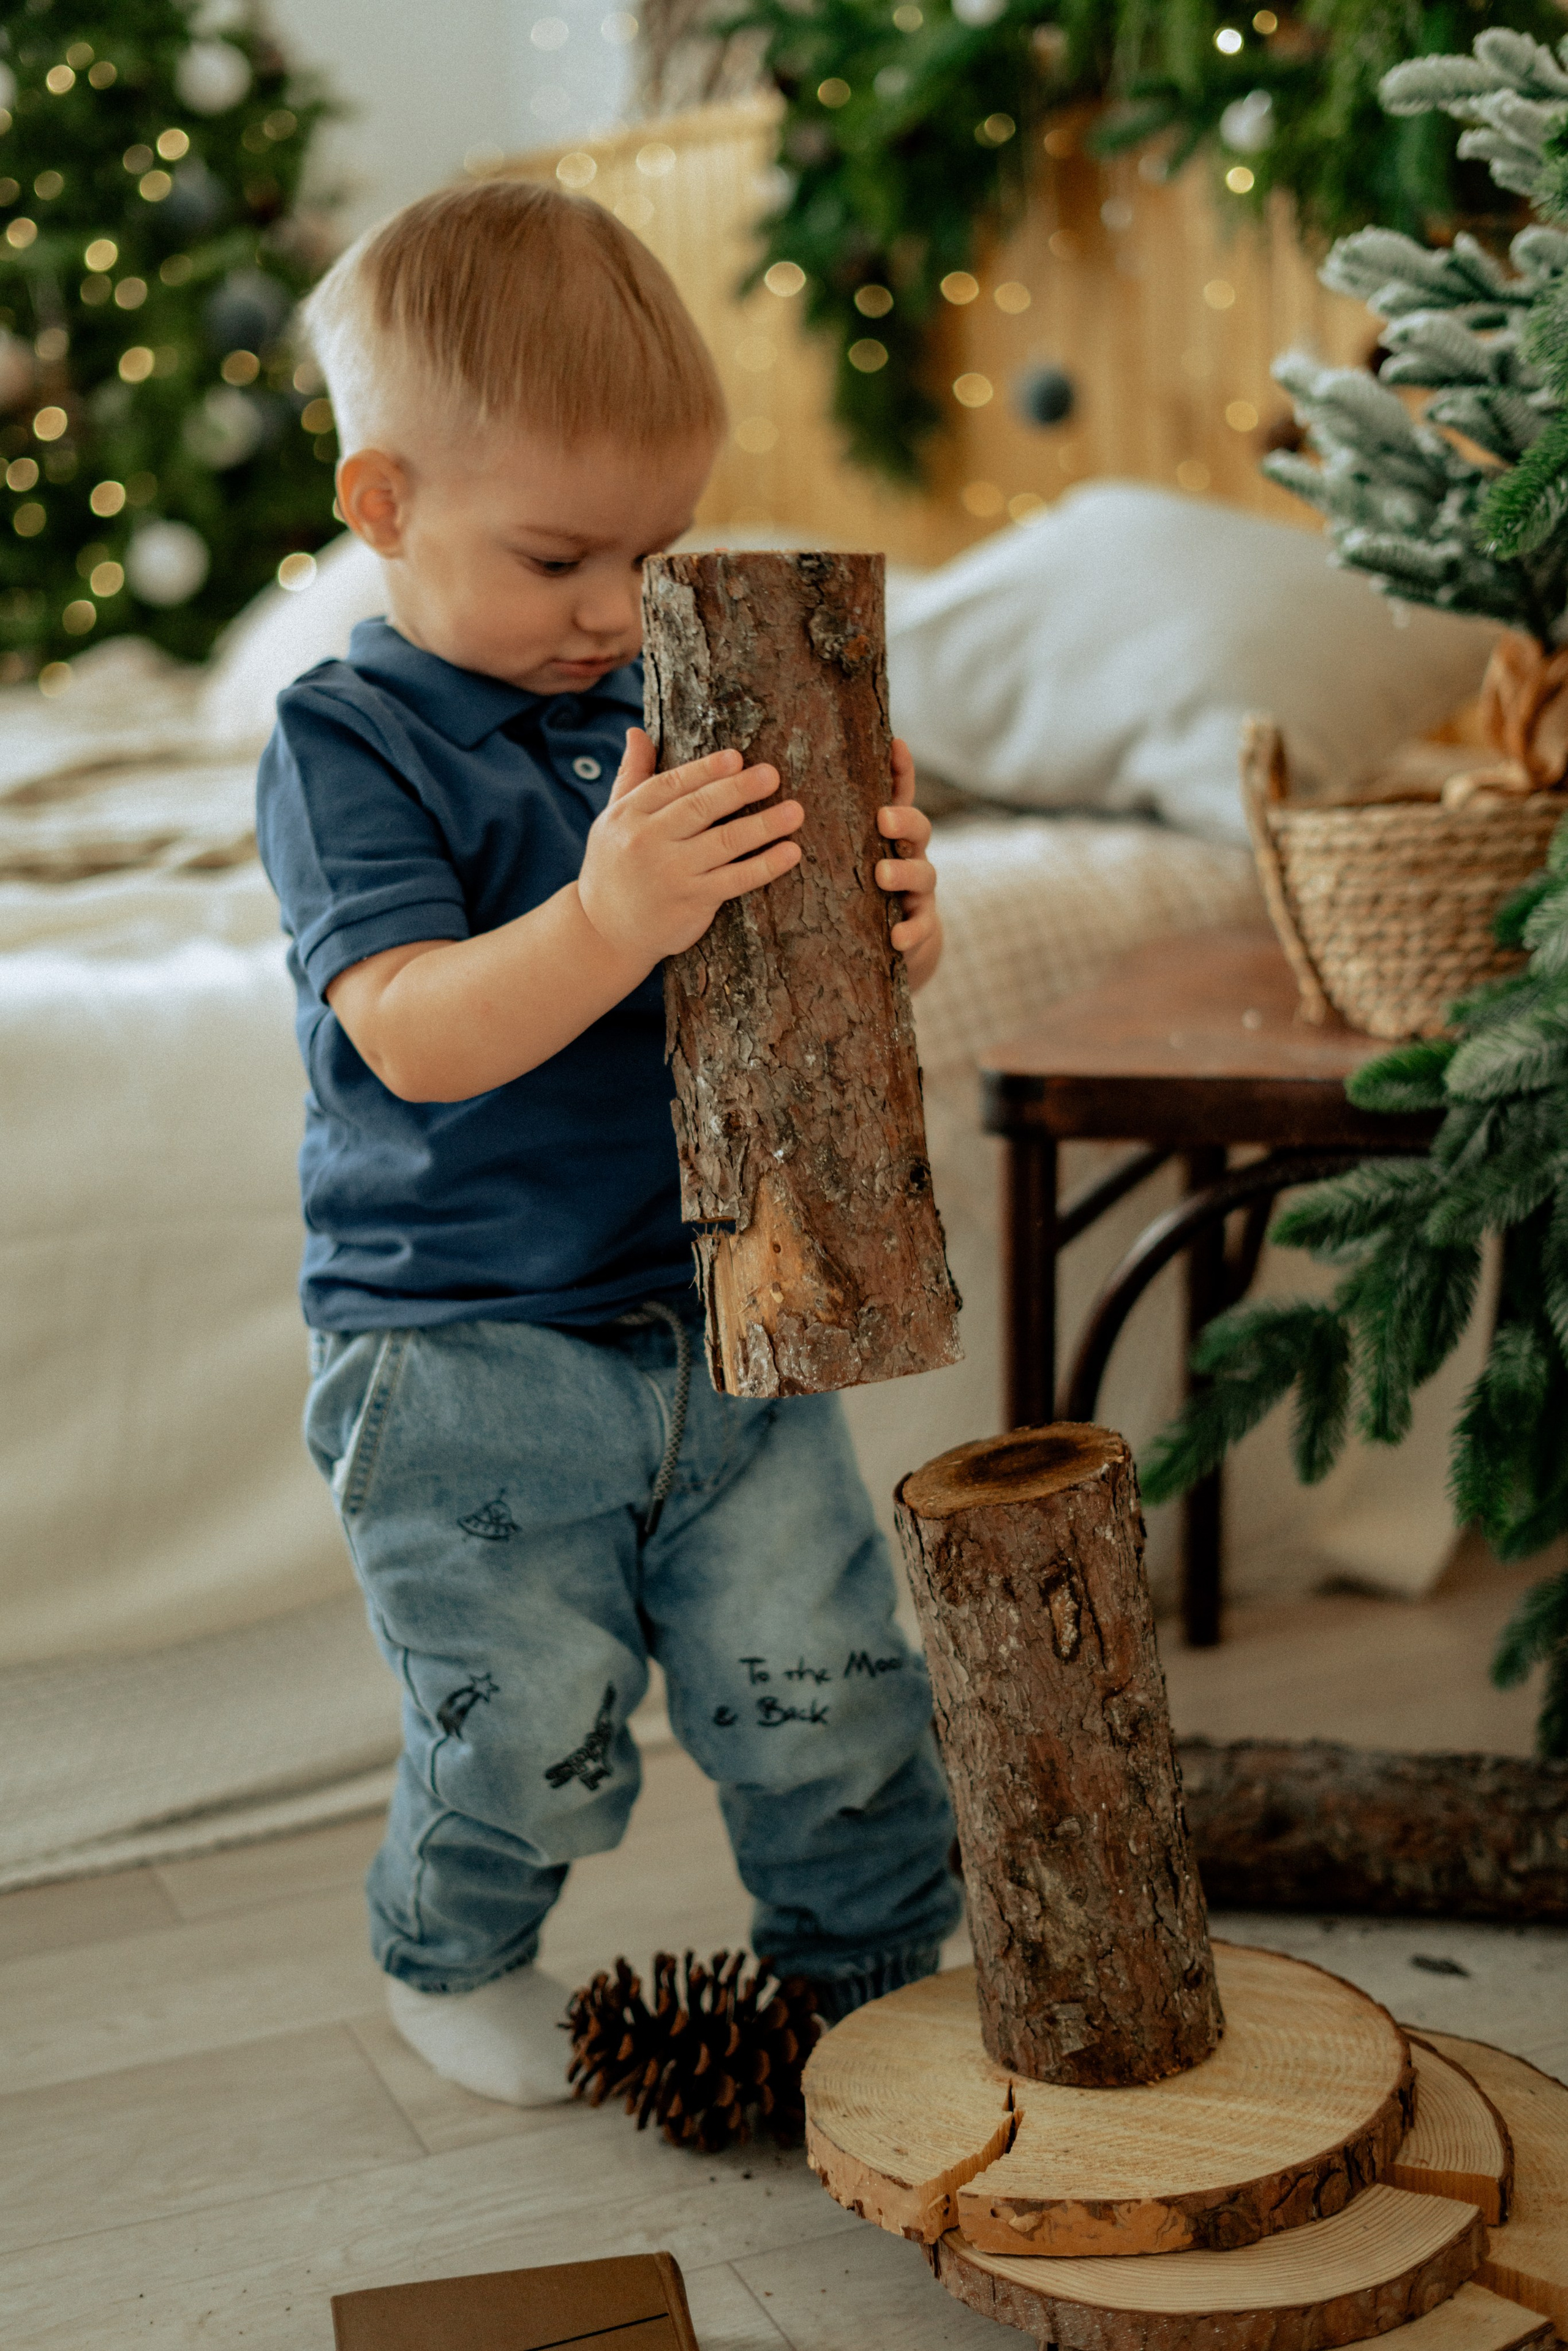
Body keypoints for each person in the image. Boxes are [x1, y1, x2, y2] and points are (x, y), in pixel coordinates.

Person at [257, 176, 960, 2107]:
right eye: (560, 556)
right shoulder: (352, 744)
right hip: (461, 1348)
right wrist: (604, 919)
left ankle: (873, 1973)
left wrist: (889, 915)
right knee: (530, 1726)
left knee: (821, 1691)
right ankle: (452, 1949)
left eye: (650, 556)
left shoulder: (675, 692)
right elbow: (405, 1035)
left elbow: (790, 975)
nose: (612, 611)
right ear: (384, 504)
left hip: (715, 1317)